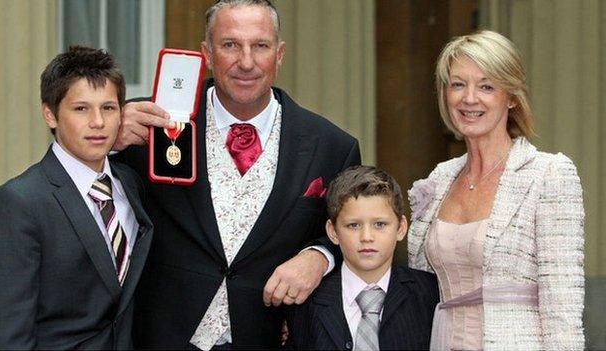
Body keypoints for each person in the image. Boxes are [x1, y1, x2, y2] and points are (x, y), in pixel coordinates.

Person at [113, 0, 360, 349]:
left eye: (260, 45)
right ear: (207, 54)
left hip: (268, 337)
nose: (246, 62)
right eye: (230, 45)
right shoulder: (149, 123)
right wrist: (108, 141)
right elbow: (80, 192)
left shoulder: (332, 146)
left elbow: (354, 233)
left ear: (280, 54)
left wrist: (320, 256)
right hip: (161, 335)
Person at [407, 30, 585, 350]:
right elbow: (417, 289)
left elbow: (563, 305)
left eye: (486, 86)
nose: (469, 98)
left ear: (513, 96)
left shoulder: (549, 175)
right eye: (458, 84)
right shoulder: (438, 178)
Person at [0, 46, 153, 349]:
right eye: (81, 109)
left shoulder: (130, 185)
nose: (98, 122)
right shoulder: (18, 202)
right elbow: (1, 333)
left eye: (109, 108)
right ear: (50, 114)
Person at [286, 166, 438, 350]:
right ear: (333, 232)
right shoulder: (306, 301)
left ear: (401, 228)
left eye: (380, 224)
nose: (367, 236)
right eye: (353, 225)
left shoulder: (429, 293)